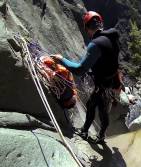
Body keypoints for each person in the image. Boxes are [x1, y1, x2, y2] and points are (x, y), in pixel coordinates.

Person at [51, 11, 120, 143]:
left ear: (87, 28)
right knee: (98, 107)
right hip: (110, 82)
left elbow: (79, 69)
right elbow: (111, 61)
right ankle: (98, 134)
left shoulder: (95, 44)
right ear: (101, 23)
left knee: (97, 107)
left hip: (102, 85)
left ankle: (88, 133)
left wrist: (62, 59)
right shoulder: (113, 37)